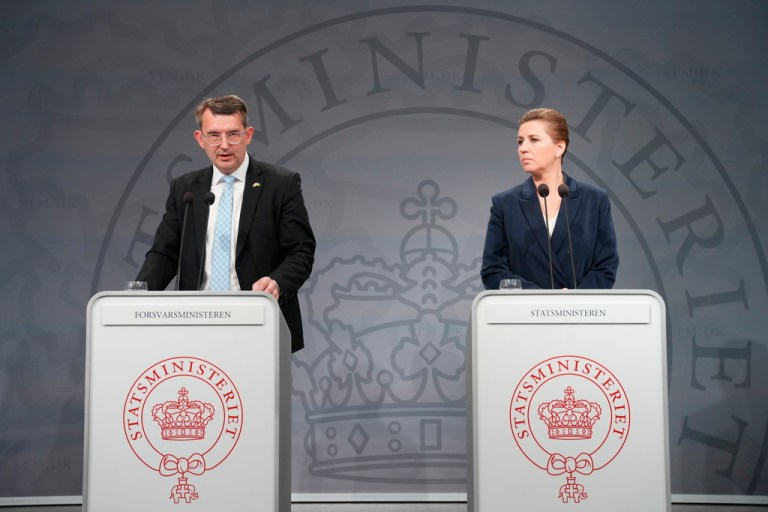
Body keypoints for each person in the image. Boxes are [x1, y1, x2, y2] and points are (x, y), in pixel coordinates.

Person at [136, 94, 316, 351]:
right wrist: (136, 298)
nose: (224, 145)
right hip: (195, 324)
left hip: (259, 322)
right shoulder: (186, 189)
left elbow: (301, 251)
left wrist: (276, 282)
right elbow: (164, 254)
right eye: (214, 135)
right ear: (200, 139)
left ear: (248, 135)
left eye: (233, 134)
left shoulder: (281, 184)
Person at [481, 108, 618, 290]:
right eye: (520, 142)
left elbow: (605, 266)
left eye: (534, 140)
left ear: (559, 147)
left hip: (580, 314)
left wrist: (575, 299)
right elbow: (493, 271)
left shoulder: (594, 199)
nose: (523, 148)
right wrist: (542, 300)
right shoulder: (505, 204)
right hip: (525, 314)